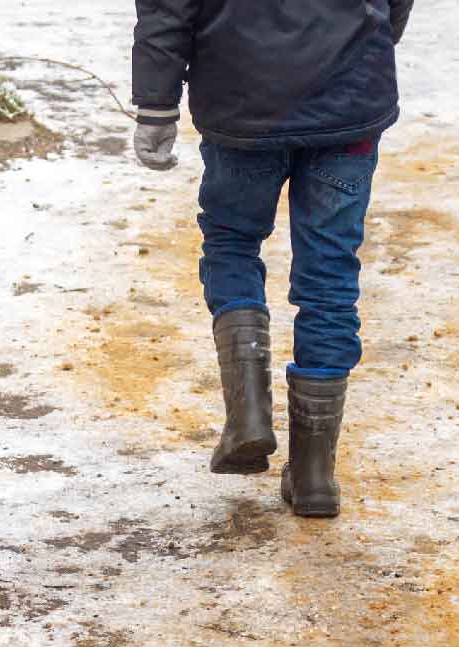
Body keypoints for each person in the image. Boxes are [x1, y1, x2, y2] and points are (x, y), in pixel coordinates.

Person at [131, 0, 413, 518]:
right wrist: (364, 46)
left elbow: (168, 9)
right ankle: (313, 477)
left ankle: (249, 413)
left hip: (244, 101)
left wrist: (156, 105)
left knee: (233, 241)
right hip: (348, 99)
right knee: (329, 271)